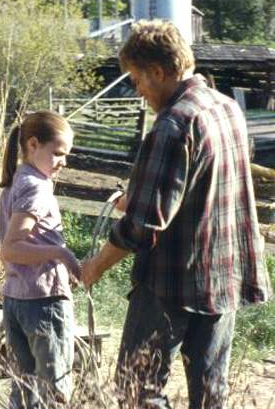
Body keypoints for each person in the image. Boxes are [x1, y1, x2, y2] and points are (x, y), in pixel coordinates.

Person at [81, 20, 271, 409]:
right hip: (223, 277)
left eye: (137, 79)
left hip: (171, 283)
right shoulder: (227, 108)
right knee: (210, 393)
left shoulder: (173, 124)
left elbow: (143, 227)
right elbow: (202, 188)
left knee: (137, 390)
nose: (137, 90)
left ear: (159, 71)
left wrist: (96, 266)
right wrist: (138, 196)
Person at [0, 111, 81, 409]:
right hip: (42, 302)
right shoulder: (36, 186)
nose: (63, 162)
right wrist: (60, 253)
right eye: (58, 153)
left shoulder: (16, 181)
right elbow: (12, 248)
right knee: (53, 392)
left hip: (17, 297)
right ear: (33, 144)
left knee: (24, 389)